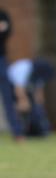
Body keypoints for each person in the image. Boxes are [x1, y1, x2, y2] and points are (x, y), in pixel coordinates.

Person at [8, 57, 54, 137]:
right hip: (11, 84)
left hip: (24, 86)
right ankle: (21, 130)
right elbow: (18, 90)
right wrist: (23, 100)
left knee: (35, 107)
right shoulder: (22, 69)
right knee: (23, 106)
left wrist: (39, 103)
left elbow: (39, 92)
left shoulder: (39, 73)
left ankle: (39, 130)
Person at [0, 9, 24, 141]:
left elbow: (6, 32)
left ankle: (17, 133)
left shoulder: (3, 14)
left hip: (1, 61)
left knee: (8, 99)